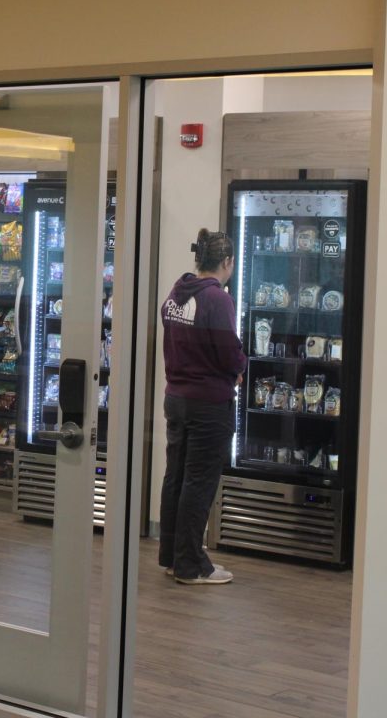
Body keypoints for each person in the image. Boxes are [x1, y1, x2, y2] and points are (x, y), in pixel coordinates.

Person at [159, 227, 246, 585]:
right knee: (199, 483)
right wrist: (240, 367)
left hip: (176, 398)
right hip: (208, 403)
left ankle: (174, 558)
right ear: (227, 261)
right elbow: (228, 351)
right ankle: (191, 566)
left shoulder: (177, 293)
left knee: (176, 479)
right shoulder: (217, 299)